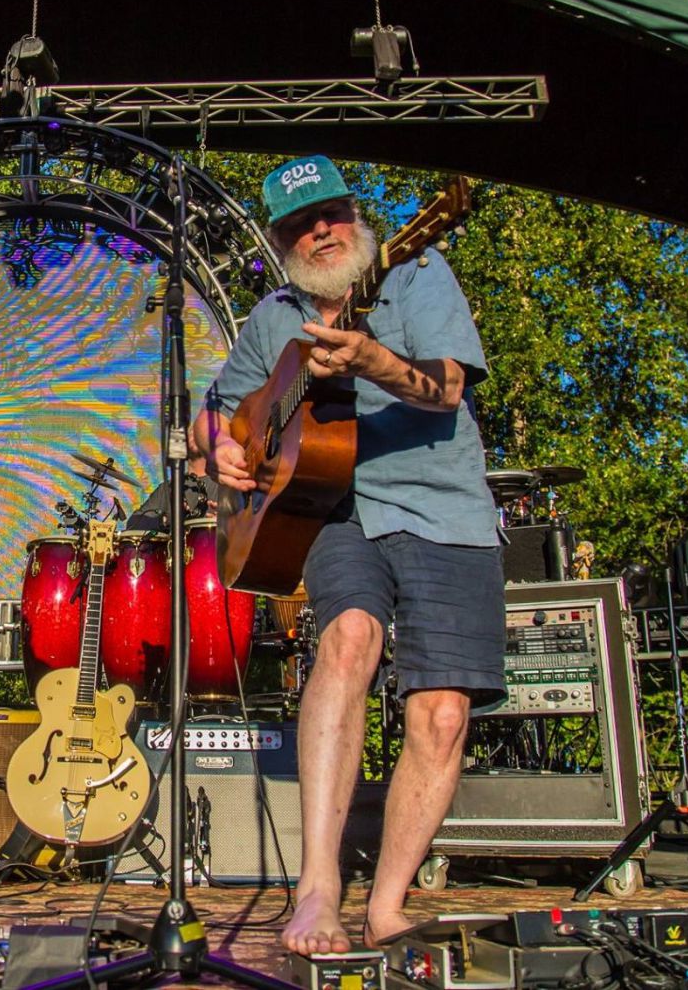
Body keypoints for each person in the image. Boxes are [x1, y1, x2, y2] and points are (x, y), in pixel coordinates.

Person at [194, 156, 503, 954]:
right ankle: (318, 891)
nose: (321, 231)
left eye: (331, 213)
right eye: (301, 224)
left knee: (442, 713)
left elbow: (447, 388)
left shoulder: (417, 273)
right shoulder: (274, 318)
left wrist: (374, 363)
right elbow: (219, 411)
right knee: (347, 640)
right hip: (335, 509)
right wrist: (218, 451)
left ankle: (389, 904)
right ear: (280, 241)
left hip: (443, 508)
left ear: (355, 215)